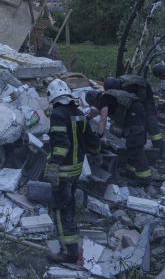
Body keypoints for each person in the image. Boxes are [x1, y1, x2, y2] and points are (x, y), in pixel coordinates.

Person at [45, 80, 99, 265]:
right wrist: (96, 149)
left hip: (63, 172)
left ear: (52, 97)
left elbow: (61, 143)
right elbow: (92, 142)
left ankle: (68, 252)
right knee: (69, 209)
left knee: (60, 210)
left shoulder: (58, 114)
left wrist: (54, 164)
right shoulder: (79, 113)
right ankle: (72, 246)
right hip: (76, 170)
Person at [85, 88, 152, 186]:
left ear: (94, 101)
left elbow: (103, 119)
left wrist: (98, 135)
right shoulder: (104, 99)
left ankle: (144, 180)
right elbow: (97, 111)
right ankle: (132, 172)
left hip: (135, 114)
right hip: (134, 112)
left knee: (135, 145)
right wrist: (87, 118)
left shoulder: (103, 101)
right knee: (130, 143)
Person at [105, 74, 165, 157]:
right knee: (139, 124)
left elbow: (131, 104)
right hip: (140, 99)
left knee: (151, 124)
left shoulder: (128, 88)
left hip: (146, 101)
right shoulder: (121, 83)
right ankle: (141, 146)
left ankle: (162, 151)